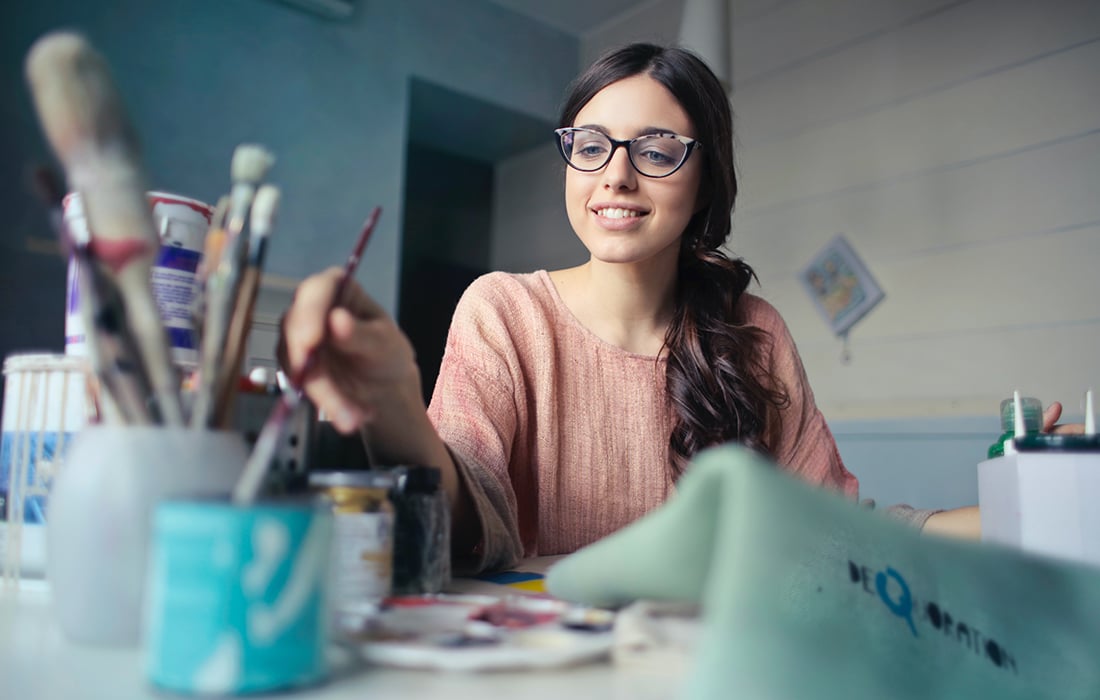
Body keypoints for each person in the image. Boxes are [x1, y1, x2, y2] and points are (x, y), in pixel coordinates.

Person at [280, 43, 1074, 573]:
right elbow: (467, 524)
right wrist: (394, 407)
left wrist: (1027, 495)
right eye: (590, 145)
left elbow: (837, 534)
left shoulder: (752, 333)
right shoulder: (504, 313)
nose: (616, 176)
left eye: (657, 150)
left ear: (703, 183)